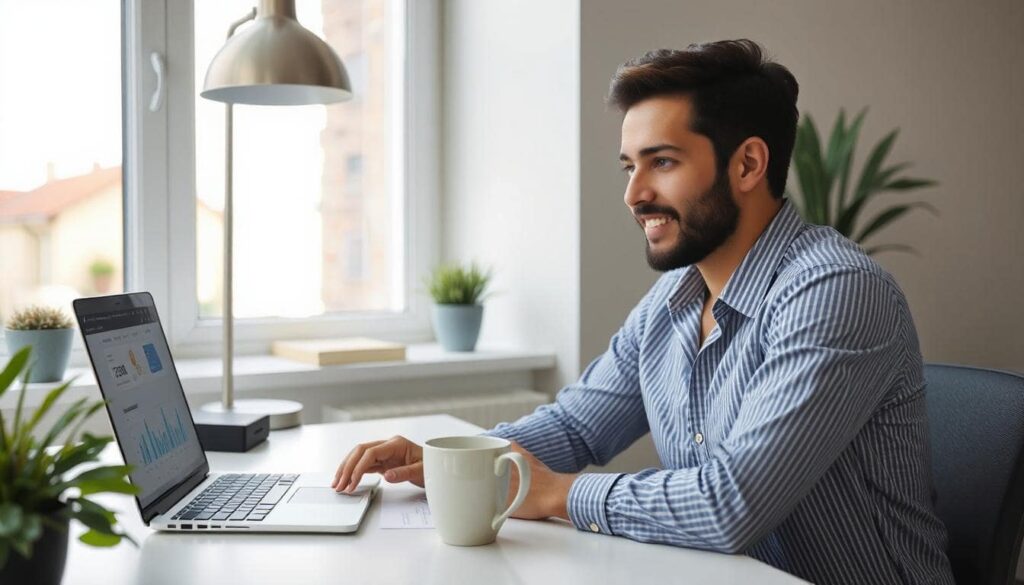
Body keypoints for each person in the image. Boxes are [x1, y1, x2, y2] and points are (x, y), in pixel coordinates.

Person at [332, 39, 954, 584]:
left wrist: (557, 495)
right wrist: (444, 458)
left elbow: (729, 505)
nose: (634, 195)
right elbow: (577, 426)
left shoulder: (835, 291)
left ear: (748, 164)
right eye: (630, 167)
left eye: (662, 162)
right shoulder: (677, 296)